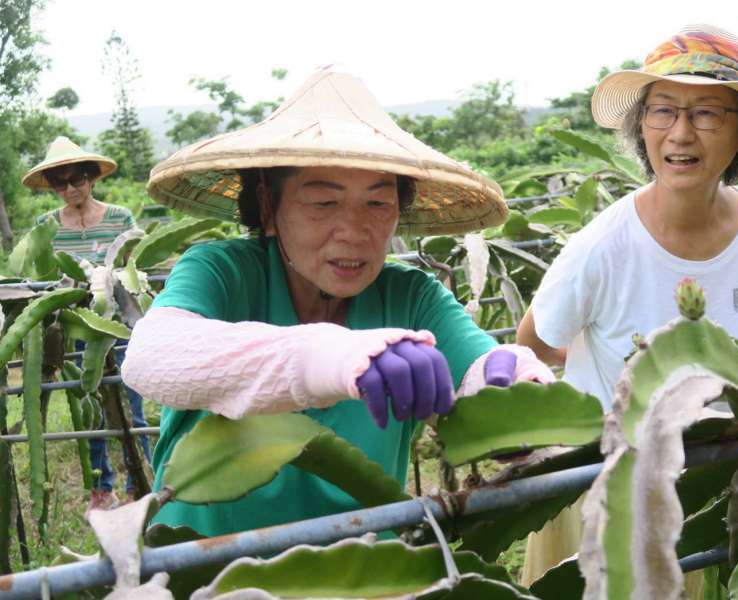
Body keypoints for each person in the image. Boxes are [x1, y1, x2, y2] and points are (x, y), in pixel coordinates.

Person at [120, 68, 555, 537]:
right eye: (323, 204)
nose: (354, 231)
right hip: (203, 569)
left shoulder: (410, 296)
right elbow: (153, 355)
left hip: (366, 575)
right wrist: (332, 356)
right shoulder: (222, 271)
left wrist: (513, 390)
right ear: (268, 207)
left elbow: (476, 370)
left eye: (378, 204)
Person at [515, 24, 738, 585]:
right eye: (663, 111)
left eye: (708, 114)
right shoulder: (601, 247)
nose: (680, 134)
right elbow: (534, 346)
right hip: (607, 479)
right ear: (641, 127)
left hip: (706, 478)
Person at [21, 136, 153, 514]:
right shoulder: (46, 226)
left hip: (121, 324)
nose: (68, 189)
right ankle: (101, 489)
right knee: (89, 406)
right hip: (76, 325)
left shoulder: (119, 218)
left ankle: (139, 484)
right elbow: (43, 275)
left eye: (75, 179)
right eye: (59, 183)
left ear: (91, 178)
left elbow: (132, 270)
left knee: (133, 405)